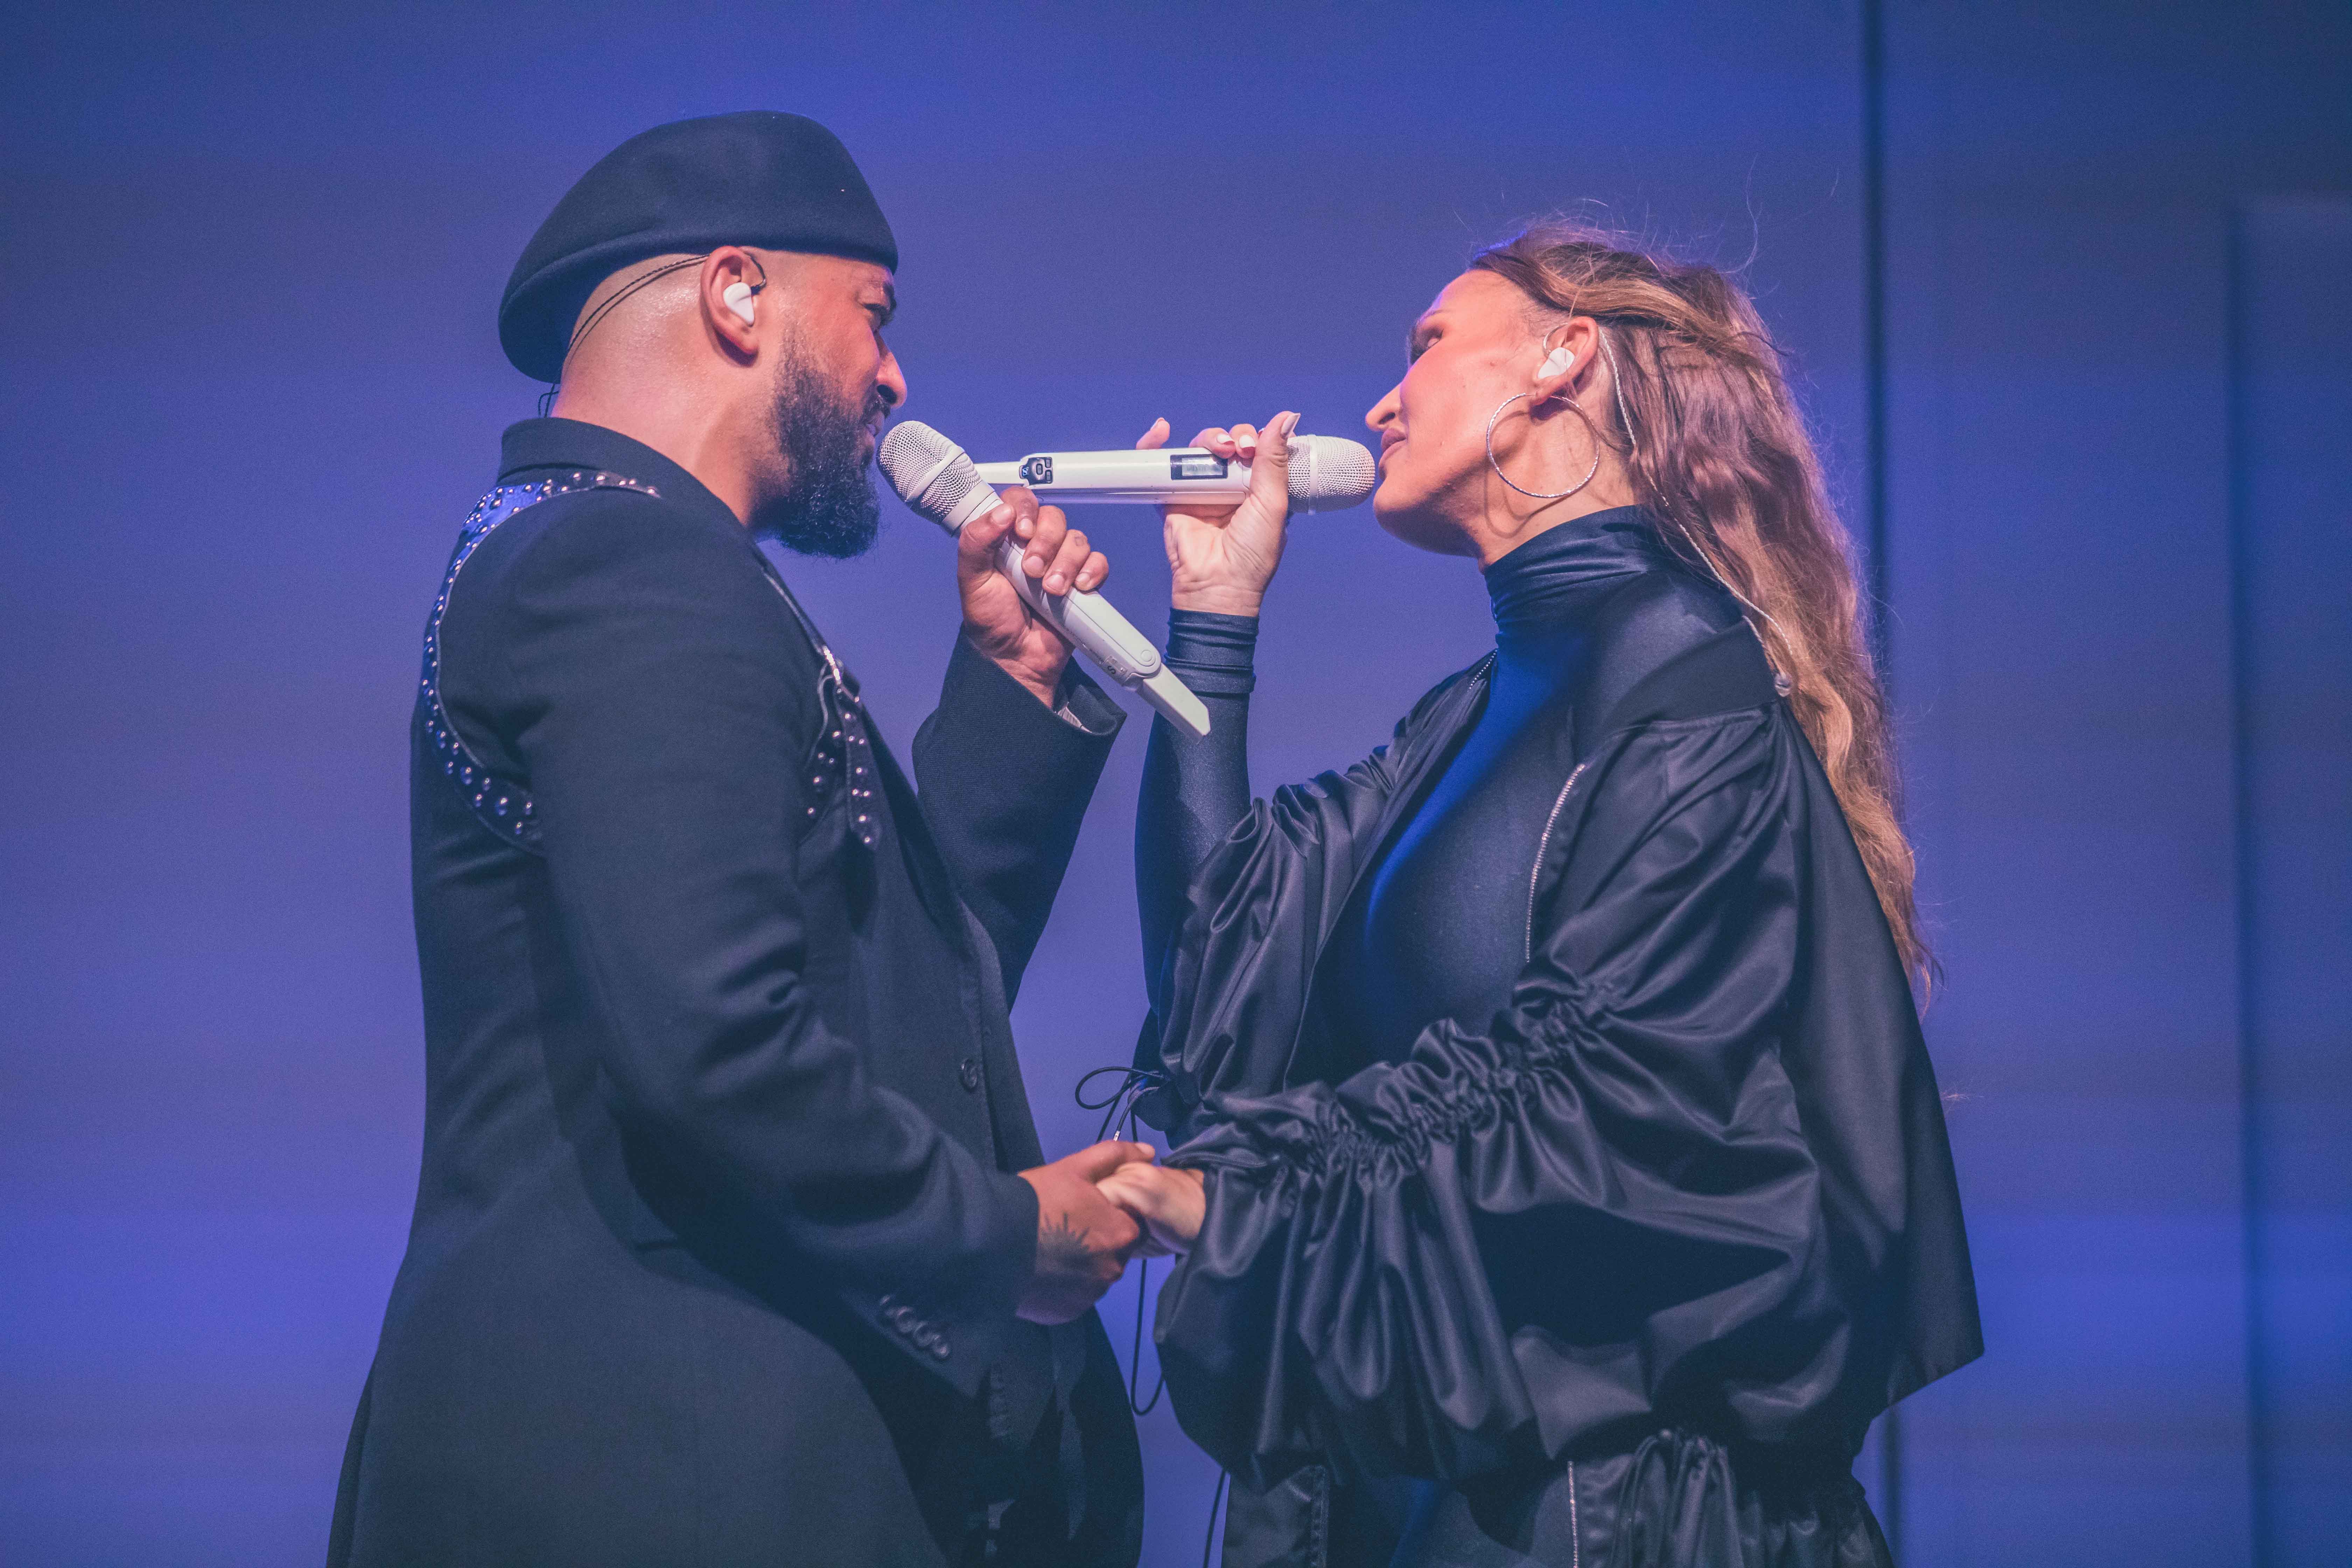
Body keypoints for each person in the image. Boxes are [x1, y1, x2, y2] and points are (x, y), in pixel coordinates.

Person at [329, 112, 1148, 1568]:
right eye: (874, 316)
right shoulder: (631, 564)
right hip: (658, 1465)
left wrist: (1014, 687)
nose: (895, 378)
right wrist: (1003, 1237)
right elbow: (717, 1048)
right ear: (737, 295)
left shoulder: (611, 553)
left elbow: (878, 992)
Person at [1098, 224, 1982, 1567]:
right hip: (1439, 1492)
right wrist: (1214, 621)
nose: (1382, 404)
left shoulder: (1679, 674)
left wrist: (1252, 1196)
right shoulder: (1469, 717)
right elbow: (1226, 976)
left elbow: (1615, 1082)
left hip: (1615, 1513)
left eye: (1427, 346)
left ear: (1561, 359)